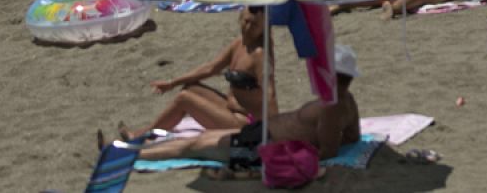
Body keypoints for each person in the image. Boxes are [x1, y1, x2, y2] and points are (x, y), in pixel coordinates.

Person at [134, 44, 361, 167]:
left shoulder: (332, 107)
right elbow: (354, 136)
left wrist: (282, 157)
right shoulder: (346, 101)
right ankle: (135, 151)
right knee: (197, 141)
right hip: (260, 135)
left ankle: (134, 156)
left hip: (260, 148)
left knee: (193, 146)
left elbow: (327, 152)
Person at [118, 7, 276, 140]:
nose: (247, 28)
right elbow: (211, 68)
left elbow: (270, 95)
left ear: (263, 27)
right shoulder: (239, 43)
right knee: (191, 88)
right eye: (246, 21)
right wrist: (172, 83)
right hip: (230, 110)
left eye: (254, 25)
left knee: (184, 99)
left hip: (244, 124)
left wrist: (272, 132)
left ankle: (142, 136)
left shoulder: (260, 56)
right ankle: (148, 132)